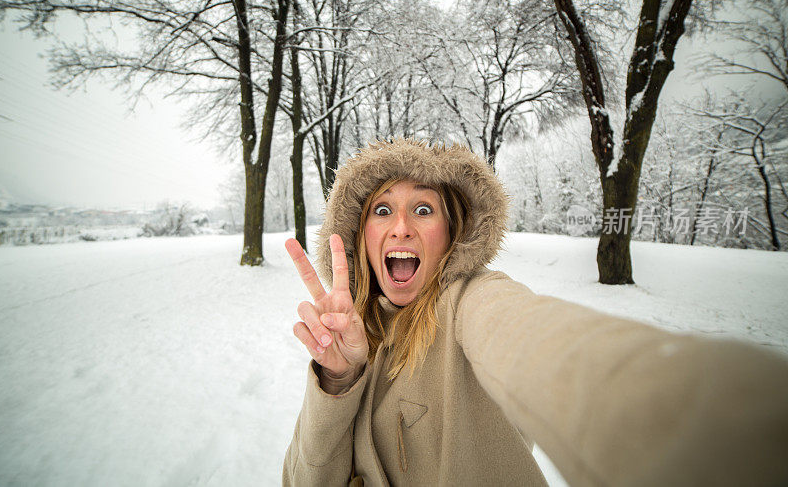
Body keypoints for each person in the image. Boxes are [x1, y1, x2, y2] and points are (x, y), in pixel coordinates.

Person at [282, 139, 788, 487]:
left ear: (451, 232)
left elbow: (544, 345)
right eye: (383, 209)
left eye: (423, 208)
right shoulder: (347, 336)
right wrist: (339, 378)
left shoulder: (472, 301)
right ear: (360, 235)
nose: (401, 229)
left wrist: (695, 416)